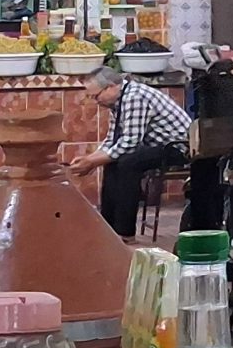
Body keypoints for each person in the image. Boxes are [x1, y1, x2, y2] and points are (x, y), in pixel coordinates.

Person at [74, 66, 223, 238]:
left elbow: (130, 143)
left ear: (111, 87)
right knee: (113, 162)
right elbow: (113, 141)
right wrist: (90, 159)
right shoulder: (118, 101)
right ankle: (109, 227)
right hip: (157, 146)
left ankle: (124, 231)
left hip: (179, 147)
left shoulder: (134, 97)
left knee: (128, 163)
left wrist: (92, 162)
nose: (96, 101)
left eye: (96, 96)